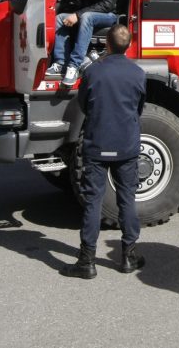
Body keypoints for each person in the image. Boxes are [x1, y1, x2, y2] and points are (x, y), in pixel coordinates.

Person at [60, 23, 146, 279]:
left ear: (107, 44)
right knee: (127, 199)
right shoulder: (138, 73)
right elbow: (139, 107)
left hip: (97, 145)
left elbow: (84, 103)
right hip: (127, 145)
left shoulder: (93, 72)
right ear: (128, 45)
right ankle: (128, 256)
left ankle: (87, 261)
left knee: (93, 202)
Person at [47, 0, 121, 87]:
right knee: (60, 18)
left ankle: (74, 66)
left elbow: (107, 5)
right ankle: (60, 63)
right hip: (93, 11)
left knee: (86, 17)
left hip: (109, 15)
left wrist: (78, 14)